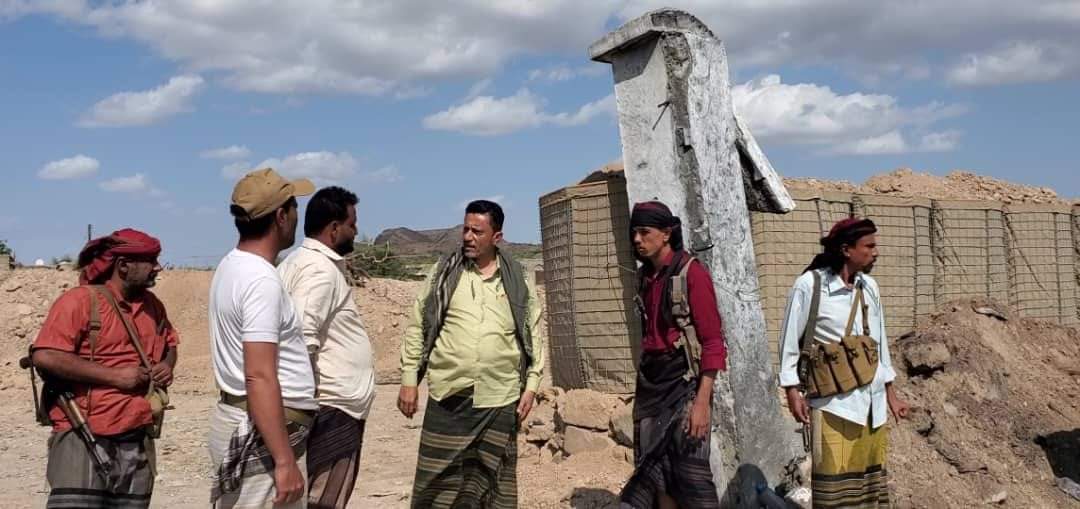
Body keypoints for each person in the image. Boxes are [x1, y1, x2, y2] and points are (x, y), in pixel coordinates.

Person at [397, 199, 544, 508]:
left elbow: (533, 331)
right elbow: (419, 323)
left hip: (499, 397)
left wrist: (532, 385)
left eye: (477, 231)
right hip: (449, 395)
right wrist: (410, 378)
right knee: (435, 486)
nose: (467, 237)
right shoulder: (444, 273)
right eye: (466, 229)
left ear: (497, 237)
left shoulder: (516, 279)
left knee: (493, 486)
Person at [31, 228, 178, 508]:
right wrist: (115, 376)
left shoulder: (154, 306)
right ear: (123, 266)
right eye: (150, 260)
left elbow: (170, 343)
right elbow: (45, 355)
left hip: (136, 436)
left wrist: (166, 365)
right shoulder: (80, 301)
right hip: (83, 435)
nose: (158, 267)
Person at [778, 217, 910, 508]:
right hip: (834, 406)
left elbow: (879, 344)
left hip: (872, 408)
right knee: (835, 496)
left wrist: (891, 394)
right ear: (846, 249)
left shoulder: (869, 286)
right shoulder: (810, 286)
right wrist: (791, 390)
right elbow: (789, 341)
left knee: (868, 493)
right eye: (869, 246)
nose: (876, 252)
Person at [208, 168, 317, 508]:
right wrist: (283, 461)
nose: (297, 215)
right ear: (281, 216)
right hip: (264, 434)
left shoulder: (232, 266)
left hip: (251, 423)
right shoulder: (260, 281)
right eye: (294, 207)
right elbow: (259, 374)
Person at [618, 201, 727, 509]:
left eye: (644, 232)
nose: (637, 239)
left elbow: (713, 343)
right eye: (634, 233)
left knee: (690, 474)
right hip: (652, 387)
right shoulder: (644, 277)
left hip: (685, 386)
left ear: (666, 234)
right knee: (658, 476)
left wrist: (702, 403)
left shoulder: (692, 274)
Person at [278, 186, 374, 509]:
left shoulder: (300, 263)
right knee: (324, 500)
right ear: (334, 228)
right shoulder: (317, 269)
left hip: (330, 405)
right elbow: (302, 337)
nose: (356, 230)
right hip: (332, 406)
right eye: (352, 223)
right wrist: (305, 403)